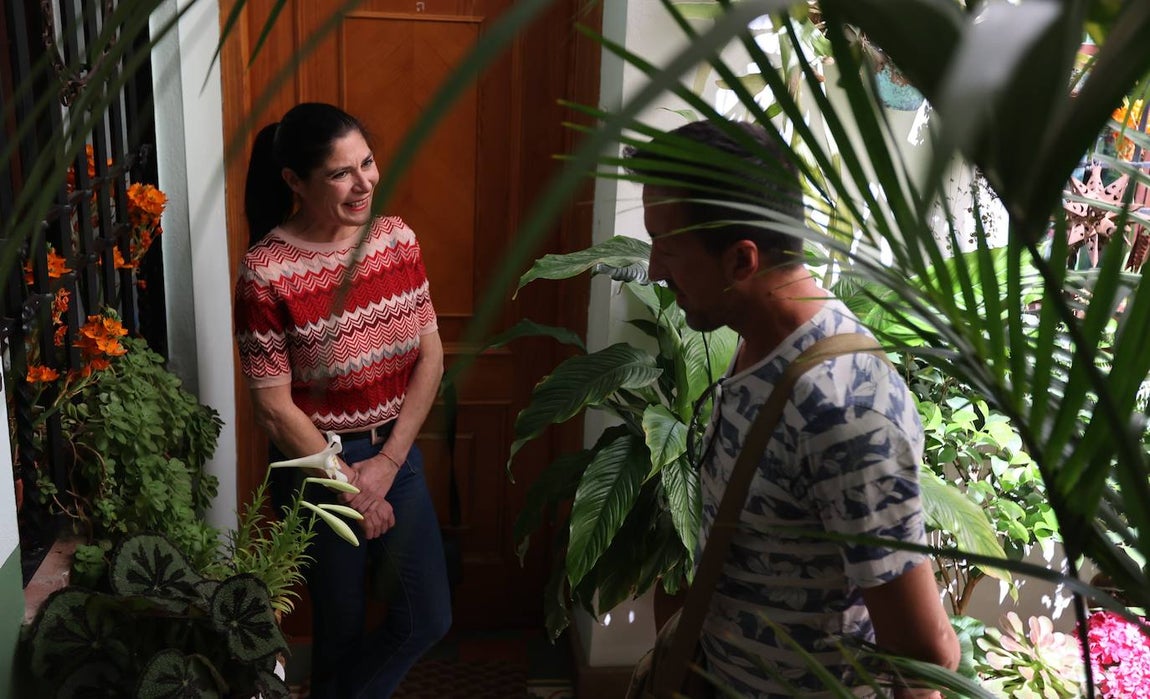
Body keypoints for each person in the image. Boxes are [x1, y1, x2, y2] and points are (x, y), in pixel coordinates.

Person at [628, 120, 959, 698]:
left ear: (741, 260)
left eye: (669, 248)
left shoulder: (843, 408)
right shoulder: (759, 342)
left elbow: (924, 654)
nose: (656, 270)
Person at [233, 102, 451, 698]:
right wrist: (353, 486)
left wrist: (387, 464)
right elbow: (274, 408)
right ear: (295, 183)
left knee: (426, 618)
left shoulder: (396, 240)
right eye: (340, 173)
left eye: (368, 163)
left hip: (395, 457)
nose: (364, 184)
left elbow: (431, 357)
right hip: (314, 471)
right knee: (340, 629)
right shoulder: (266, 273)